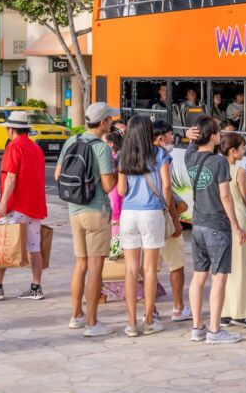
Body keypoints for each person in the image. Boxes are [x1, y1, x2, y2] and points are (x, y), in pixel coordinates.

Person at [56, 103, 118, 337]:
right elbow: (108, 185)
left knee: (80, 265)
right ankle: (92, 322)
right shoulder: (101, 148)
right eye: (109, 119)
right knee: (96, 268)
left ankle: (76, 315)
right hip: (96, 210)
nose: (111, 123)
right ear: (102, 123)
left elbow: (56, 174)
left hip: (74, 211)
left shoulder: (71, 142)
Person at [185, 117, 246, 345]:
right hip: (217, 226)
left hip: (197, 224)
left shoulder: (190, 157)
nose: (221, 135)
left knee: (198, 276)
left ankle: (197, 327)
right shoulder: (219, 163)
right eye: (218, 132)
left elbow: (192, 145)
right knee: (219, 279)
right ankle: (215, 329)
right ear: (212, 136)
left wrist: (191, 137)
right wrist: (236, 226)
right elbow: (225, 197)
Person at [0, 112, 48, 301]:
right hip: (35, 206)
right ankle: (36, 287)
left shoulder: (14, 147)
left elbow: (10, 178)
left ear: (11, 130)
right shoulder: (35, 148)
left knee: (2, 245)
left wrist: (1, 207)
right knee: (34, 247)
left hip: (17, 205)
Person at [116, 115, 174, 337]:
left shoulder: (124, 156)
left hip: (129, 214)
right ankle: (149, 319)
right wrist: (167, 207)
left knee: (130, 270)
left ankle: (131, 322)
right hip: (151, 213)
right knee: (150, 269)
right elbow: (166, 185)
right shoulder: (159, 154)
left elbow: (121, 191)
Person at [219, 132, 246, 328]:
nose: (244, 151)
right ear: (233, 151)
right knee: (242, 267)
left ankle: (226, 312)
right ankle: (240, 312)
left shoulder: (217, 168)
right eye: (242, 147)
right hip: (239, 219)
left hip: (223, 221)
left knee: (227, 269)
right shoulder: (239, 172)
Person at [153, 120, 190, 323]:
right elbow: (166, 188)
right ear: (160, 138)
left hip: (142, 217)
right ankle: (178, 308)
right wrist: (175, 220)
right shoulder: (162, 156)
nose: (171, 139)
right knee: (176, 264)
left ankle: (151, 310)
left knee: (149, 268)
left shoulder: (135, 154)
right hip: (163, 216)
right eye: (169, 135)